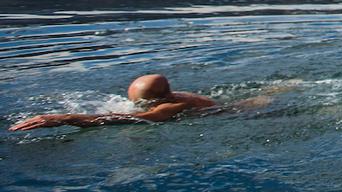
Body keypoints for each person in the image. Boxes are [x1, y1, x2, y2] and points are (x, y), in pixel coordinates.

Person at [8, 74, 216, 131]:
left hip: (233, 113)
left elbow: (141, 118)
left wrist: (66, 118)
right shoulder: (177, 95)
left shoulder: (170, 106)